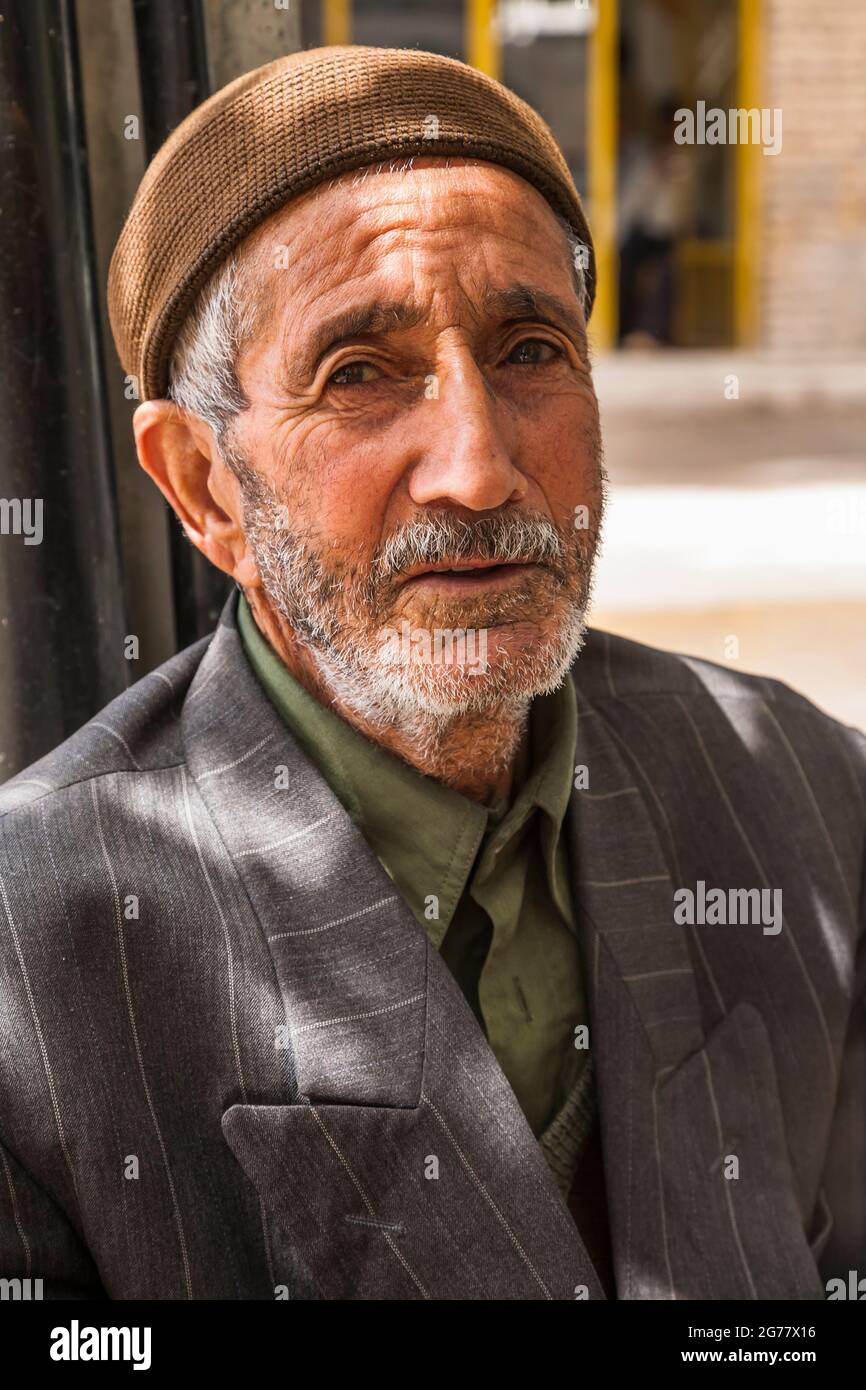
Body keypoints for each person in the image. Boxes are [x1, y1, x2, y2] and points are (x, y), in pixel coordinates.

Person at [0, 45, 862, 1301]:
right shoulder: (33, 953)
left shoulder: (799, 785)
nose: (477, 467)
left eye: (527, 350)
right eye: (358, 374)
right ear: (203, 488)